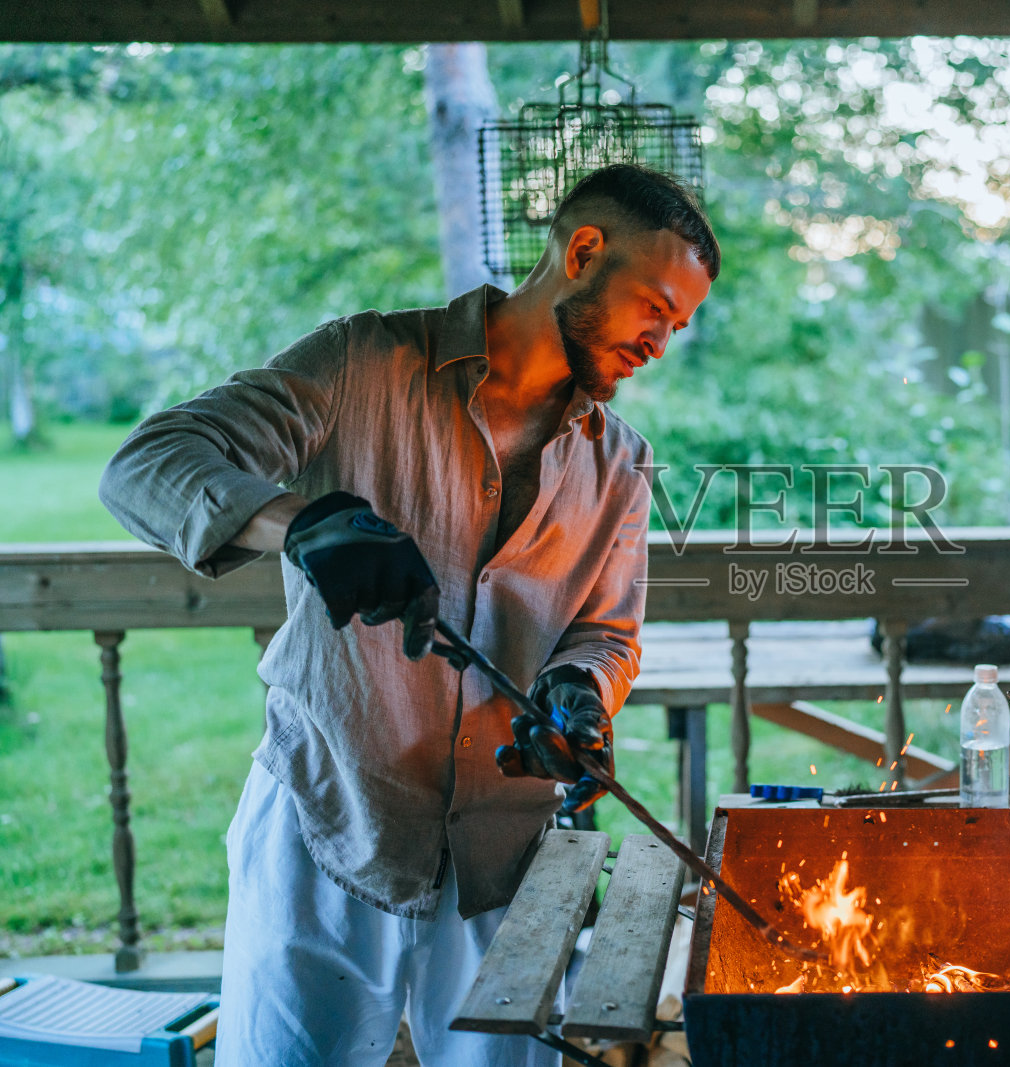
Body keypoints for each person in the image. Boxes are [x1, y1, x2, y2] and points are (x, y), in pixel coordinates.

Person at [98, 163, 718, 1066]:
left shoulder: (621, 462)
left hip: (506, 850)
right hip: (331, 815)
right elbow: (146, 463)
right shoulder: (362, 363)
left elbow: (605, 631)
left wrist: (581, 690)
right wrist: (303, 522)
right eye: (656, 307)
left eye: (681, 325)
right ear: (583, 251)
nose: (663, 340)